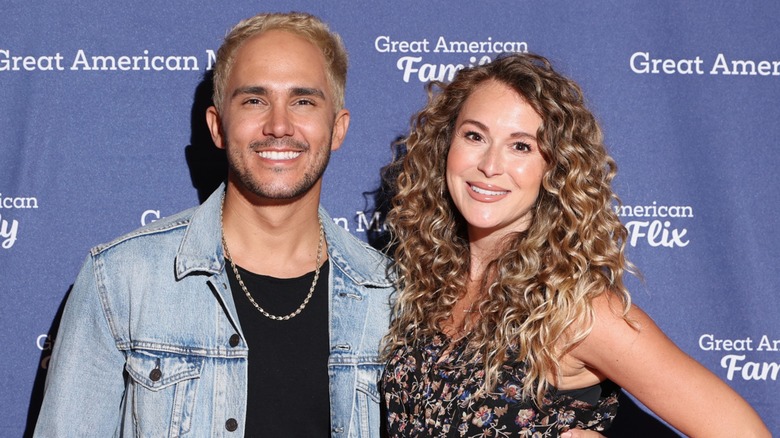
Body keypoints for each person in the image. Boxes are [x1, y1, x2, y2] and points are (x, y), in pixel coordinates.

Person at [34, 12, 395, 437]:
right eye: (254, 100)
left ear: (337, 129)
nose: (279, 125)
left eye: (303, 101)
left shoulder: (388, 297)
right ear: (218, 126)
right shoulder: (122, 280)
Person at [380, 53, 770, 437]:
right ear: (445, 147)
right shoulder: (423, 283)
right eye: (474, 136)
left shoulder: (575, 309)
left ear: (554, 168)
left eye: (521, 146)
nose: (490, 165)